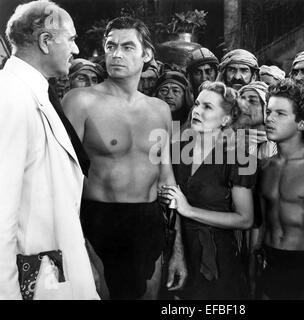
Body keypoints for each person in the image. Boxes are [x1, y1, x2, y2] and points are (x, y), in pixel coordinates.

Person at [61, 16, 187, 300]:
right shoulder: (80, 101)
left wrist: (177, 249)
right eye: (111, 45)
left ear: (147, 54)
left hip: (148, 222)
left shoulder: (159, 110)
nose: (117, 54)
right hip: (98, 222)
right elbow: (62, 181)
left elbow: (167, 179)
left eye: (128, 47)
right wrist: (76, 246)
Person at [0, 0, 98, 299]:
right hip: (30, 277)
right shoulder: (11, 97)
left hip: (52, 266)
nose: (76, 49)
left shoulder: (33, 91)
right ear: (45, 41)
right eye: (70, 39)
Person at [160, 81, 257, 299]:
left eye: (208, 107)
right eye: (197, 104)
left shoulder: (240, 157)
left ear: (226, 119)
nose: (197, 111)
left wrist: (189, 210)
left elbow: (245, 219)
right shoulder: (176, 149)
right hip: (177, 248)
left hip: (217, 257)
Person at [250, 79, 304, 300]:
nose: (269, 119)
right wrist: (253, 267)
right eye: (269, 111)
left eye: (280, 114)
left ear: (302, 123)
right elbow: (261, 221)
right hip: (269, 258)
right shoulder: (264, 165)